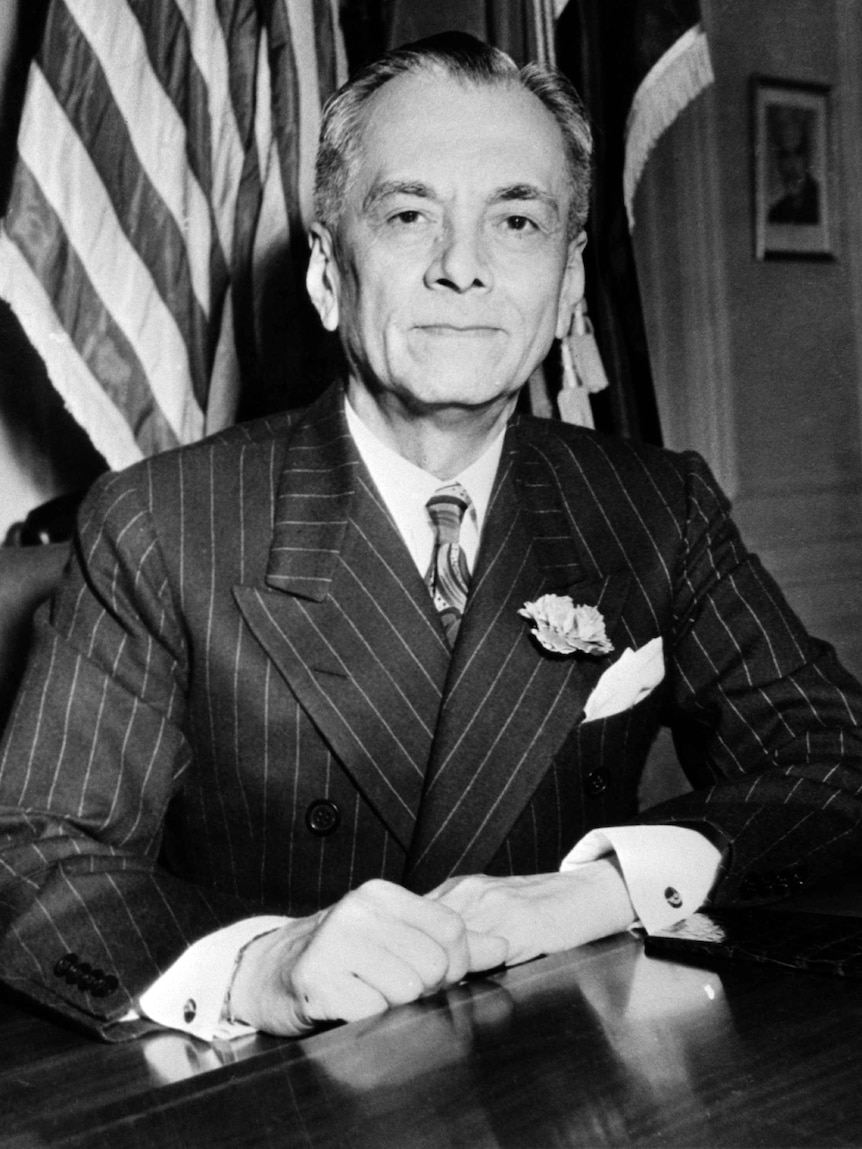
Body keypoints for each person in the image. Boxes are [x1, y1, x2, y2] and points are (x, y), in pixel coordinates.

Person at [1, 32, 861, 1043]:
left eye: (517, 218)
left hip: (566, 1062)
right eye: (409, 215)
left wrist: (607, 887)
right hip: (282, 1085)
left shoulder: (654, 505)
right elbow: (31, 848)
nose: (463, 267)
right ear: (327, 272)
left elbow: (833, 756)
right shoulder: (160, 522)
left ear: (570, 277)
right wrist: (260, 965)